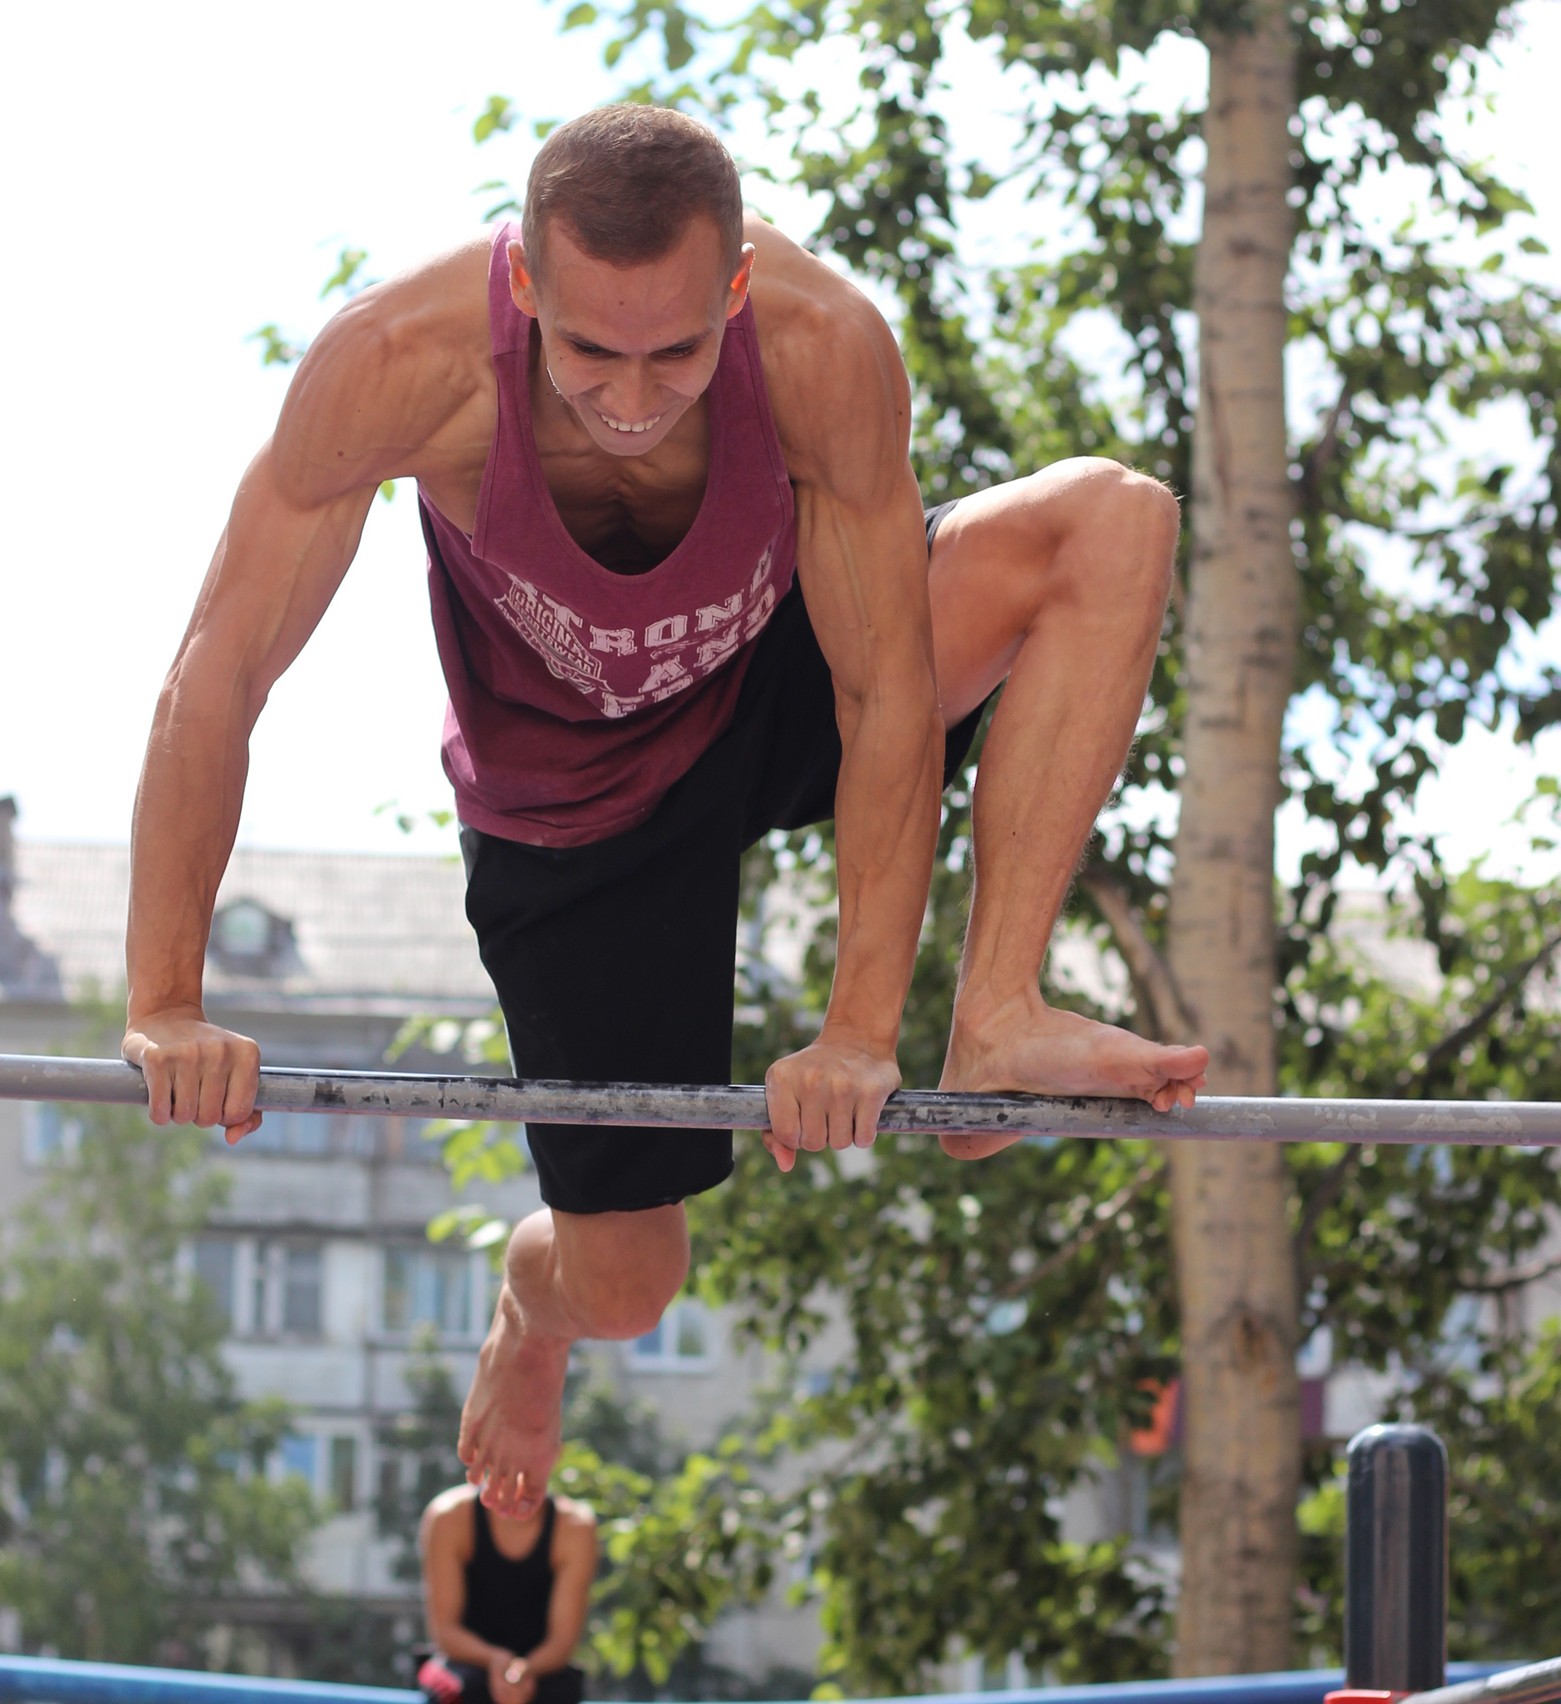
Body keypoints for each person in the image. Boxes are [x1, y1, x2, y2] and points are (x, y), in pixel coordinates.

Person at [121, 104, 1209, 1522]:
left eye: (677, 353)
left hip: (775, 681)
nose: (634, 398)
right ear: (525, 288)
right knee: (632, 1293)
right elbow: (221, 671)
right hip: (571, 810)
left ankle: (1001, 1006)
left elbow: (886, 696)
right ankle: (536, 1294)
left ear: (735, 292)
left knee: (1109, 520)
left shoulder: (822, 347)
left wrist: (859, 1033)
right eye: (590, 353)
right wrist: (167, 999)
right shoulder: (396, 362)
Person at [418, 1484, 596, 1704]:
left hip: (540, 1671)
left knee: (560, 1692)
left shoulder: (575, 1525)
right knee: (458, 1690)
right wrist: (496, 1660)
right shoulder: (448, 1516)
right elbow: (445, 1631)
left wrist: (523, 1671)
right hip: (466, 1665)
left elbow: (562, 1641)